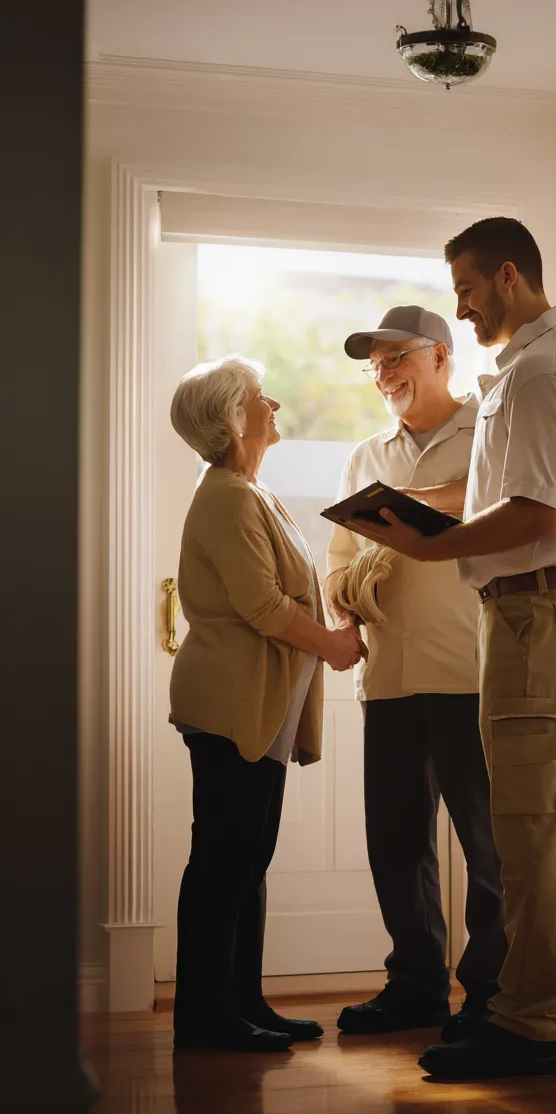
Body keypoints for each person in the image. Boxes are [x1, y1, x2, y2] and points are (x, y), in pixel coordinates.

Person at [344, 219, 556, 1080]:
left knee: (526, 834)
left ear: (507, 276)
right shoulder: (535, 366)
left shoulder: (537, 369)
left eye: (465, 286)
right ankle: (543, 1011)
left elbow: (537, 513)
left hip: (534, 615)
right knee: (546, 829)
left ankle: (529, 1021)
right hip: (537, 616)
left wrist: (424, 546)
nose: (459, 306)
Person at [168, 354, 366, 1052]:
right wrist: (333, 647)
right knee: (224, 859)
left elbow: (289, 594)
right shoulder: (225, 494)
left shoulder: (249, 490)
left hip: (258, 709)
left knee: (245, 859)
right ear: (230, 419)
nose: (274, 403)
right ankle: (203, 1016)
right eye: (259, 397)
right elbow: (261, 605)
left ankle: (239, 1002)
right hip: (229, 705)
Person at [326, 305, 507, 1038]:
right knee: (396, 842)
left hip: (471, 672)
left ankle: (495, 994)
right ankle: (416, 987)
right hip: (391, 682)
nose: (383, 374)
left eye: (396, 358)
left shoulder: (490, 434)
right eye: (374, 365)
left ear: (440, 356)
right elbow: (337, 563)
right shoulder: (364, 456)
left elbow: (507, 516)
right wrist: (344, 606)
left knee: (488, 844)